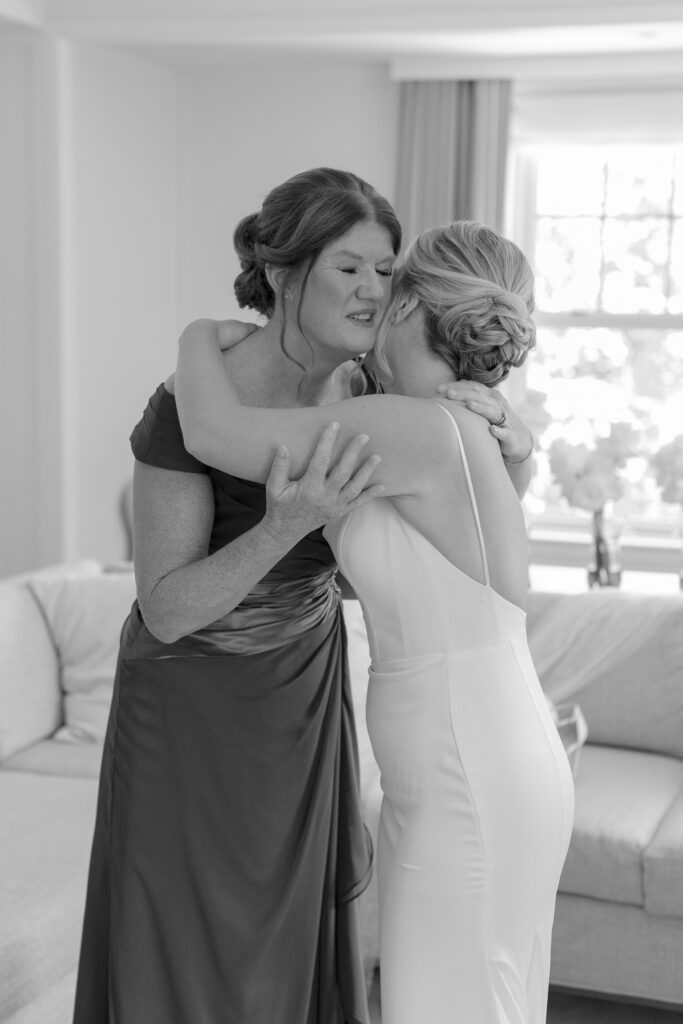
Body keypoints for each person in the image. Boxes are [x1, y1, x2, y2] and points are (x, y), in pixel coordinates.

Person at [72, 168, 535, 1024]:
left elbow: (441, 542)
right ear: (285, 273)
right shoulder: (186, 408)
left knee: (287, 942)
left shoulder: (371, 396)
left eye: (386, 270)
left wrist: (515, 443)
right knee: (191, 941)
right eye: (346, 266)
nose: (371, 290)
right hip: (191, 707)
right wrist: (281, 528)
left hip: (302, 693)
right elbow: (167, 609)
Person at [173, 219, 574, 1024]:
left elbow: (212, 432)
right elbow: (453, 560)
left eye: (385, 279)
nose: (368, 293)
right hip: (463, 760)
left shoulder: (415, 428)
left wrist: (194, 337)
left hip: (470, 765)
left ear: (408, 304)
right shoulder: (436, 420)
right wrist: (522, 456)